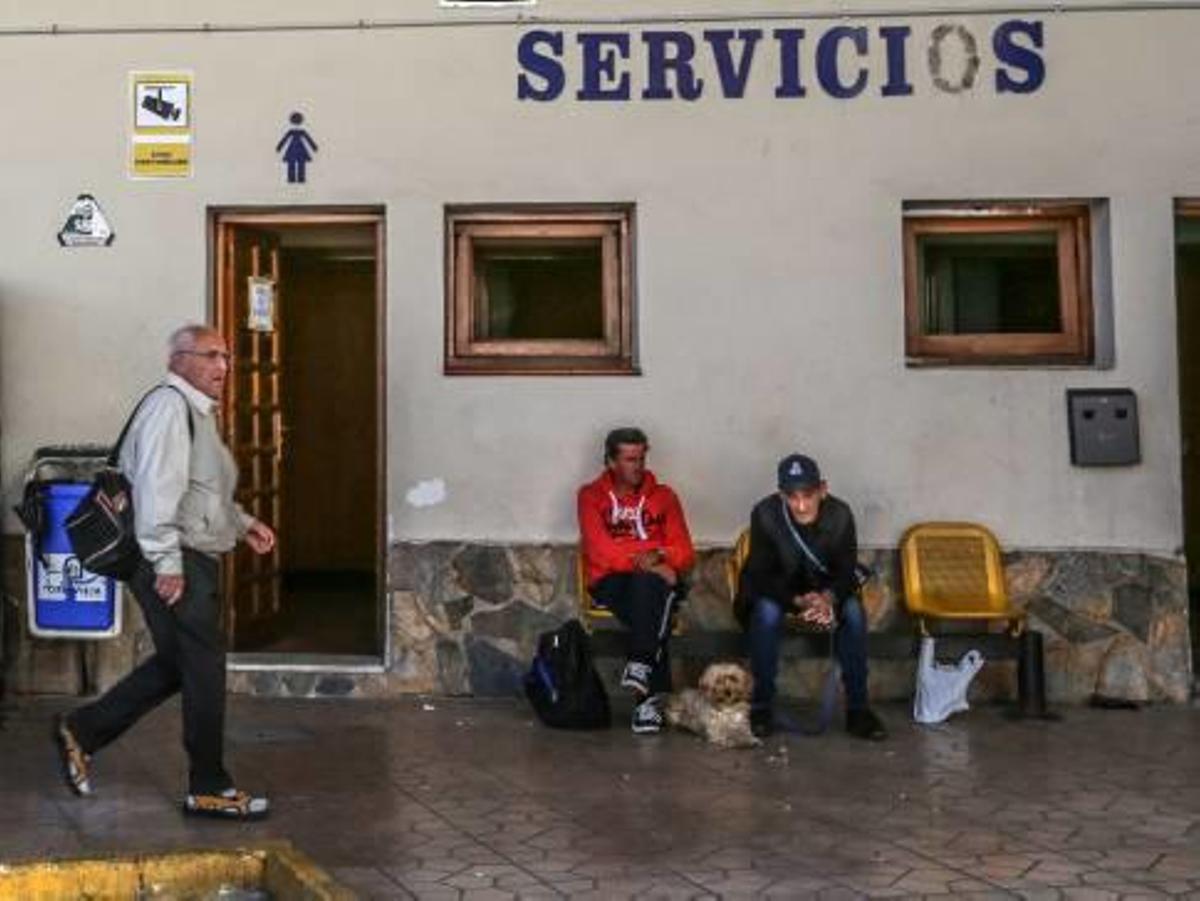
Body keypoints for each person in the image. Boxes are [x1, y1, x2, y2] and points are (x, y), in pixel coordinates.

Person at [54, 324, 276, 819]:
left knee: (180, 664)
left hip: (182, 553)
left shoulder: (195, 413)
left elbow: (199, 492)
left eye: (227, 357)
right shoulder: (169, 409)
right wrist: (168, 564)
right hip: (174, 558)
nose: (224, 366)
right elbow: (157, 492)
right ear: (178, 360)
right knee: (203, 667)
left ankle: (84, 730)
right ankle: (209, 785)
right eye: (211, 355)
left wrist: (243, 524)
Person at [740, 453, 887, 741]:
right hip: (781, 594)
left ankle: (858, 710)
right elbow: (760, 574)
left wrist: (827, 598)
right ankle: (761, 707)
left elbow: (846, 570)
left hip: (826, 593)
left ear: (823, 489)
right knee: (766, 613)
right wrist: (797, 601)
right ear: (781, 494)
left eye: (808, 495)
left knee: (855, 614)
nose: (801, 505)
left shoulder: (841, 514)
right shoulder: (765, 514)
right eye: (792, 497)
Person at [578, 428, 695, 734]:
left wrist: (656, 557)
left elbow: (683, 551)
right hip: (611, 582)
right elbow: (601, 551)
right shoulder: (590, 496)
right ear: (611, 462)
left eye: (642, 458)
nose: (638, 466)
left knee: (651, 591)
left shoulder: (665, 497)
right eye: (630, 459)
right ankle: (647, 701)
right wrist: (655, 561)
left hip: (653, 581)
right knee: (658, 609)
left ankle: (640, 665)